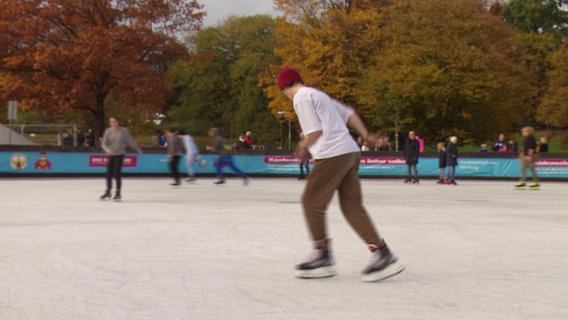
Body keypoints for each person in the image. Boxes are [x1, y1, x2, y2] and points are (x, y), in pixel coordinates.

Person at [277, 67, 404, 282]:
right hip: (350, 152)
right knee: (352, 206)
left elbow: (314, 131)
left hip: (332, 153)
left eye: (283, 92)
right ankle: (382, 253)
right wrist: (365, 135)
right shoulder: (319, 95)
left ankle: (322, 254)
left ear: (285, 87)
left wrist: (302, 146)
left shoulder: (301, 97)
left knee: (311, 202)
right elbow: (350, 113)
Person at [100, 116, 142, 201]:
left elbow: (131, 140)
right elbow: (104, 143)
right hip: (111, 154)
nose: (113, 123)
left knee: (116, 173)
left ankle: (118, 193)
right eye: (111, 122)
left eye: (114, 121)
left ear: (118, 122)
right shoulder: (108, 131)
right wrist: (107, 150)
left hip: (120, 154)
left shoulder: (123, 131)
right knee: (108, 174)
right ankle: (108, 191)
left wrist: (138, 149)